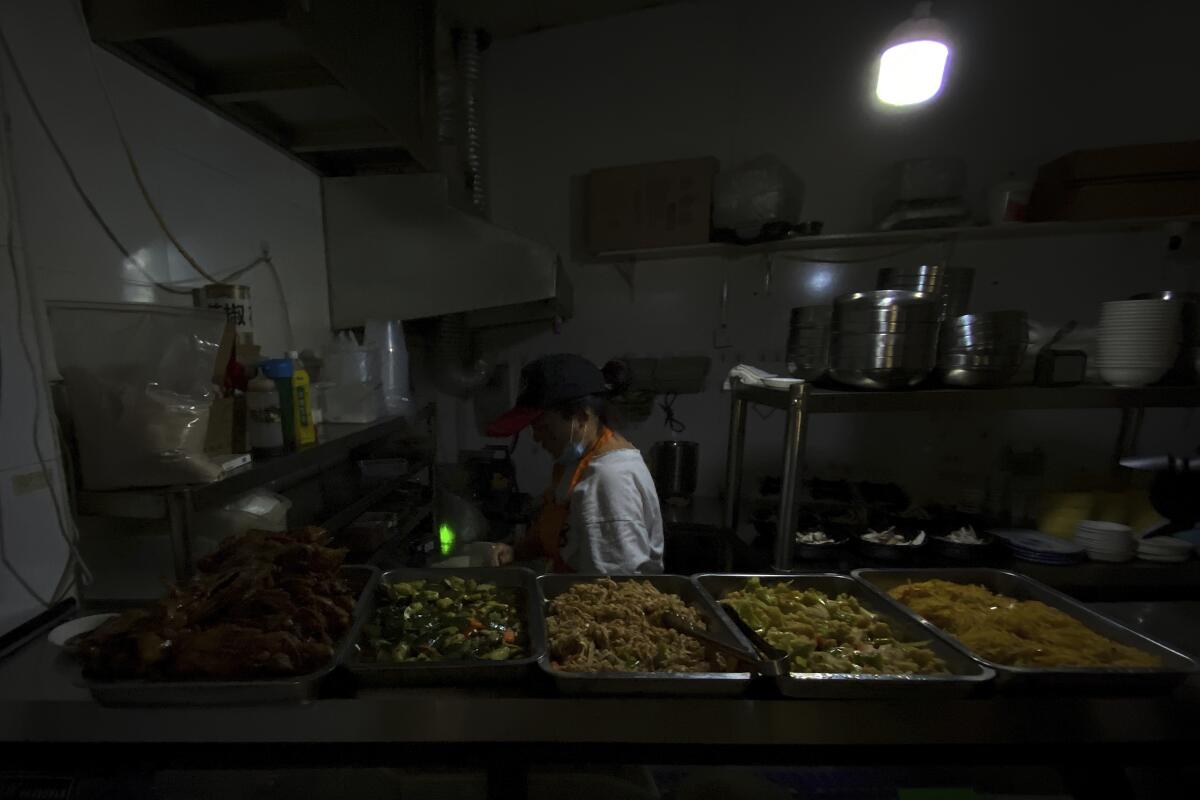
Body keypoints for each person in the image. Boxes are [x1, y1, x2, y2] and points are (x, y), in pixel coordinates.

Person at [485, 354, 664, 574]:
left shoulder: (609, 481)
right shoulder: (578, 461)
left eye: (543, 426)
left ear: (580, 417)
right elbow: (567, 537)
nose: (536, 438)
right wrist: (517, 551)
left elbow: (615, 594)